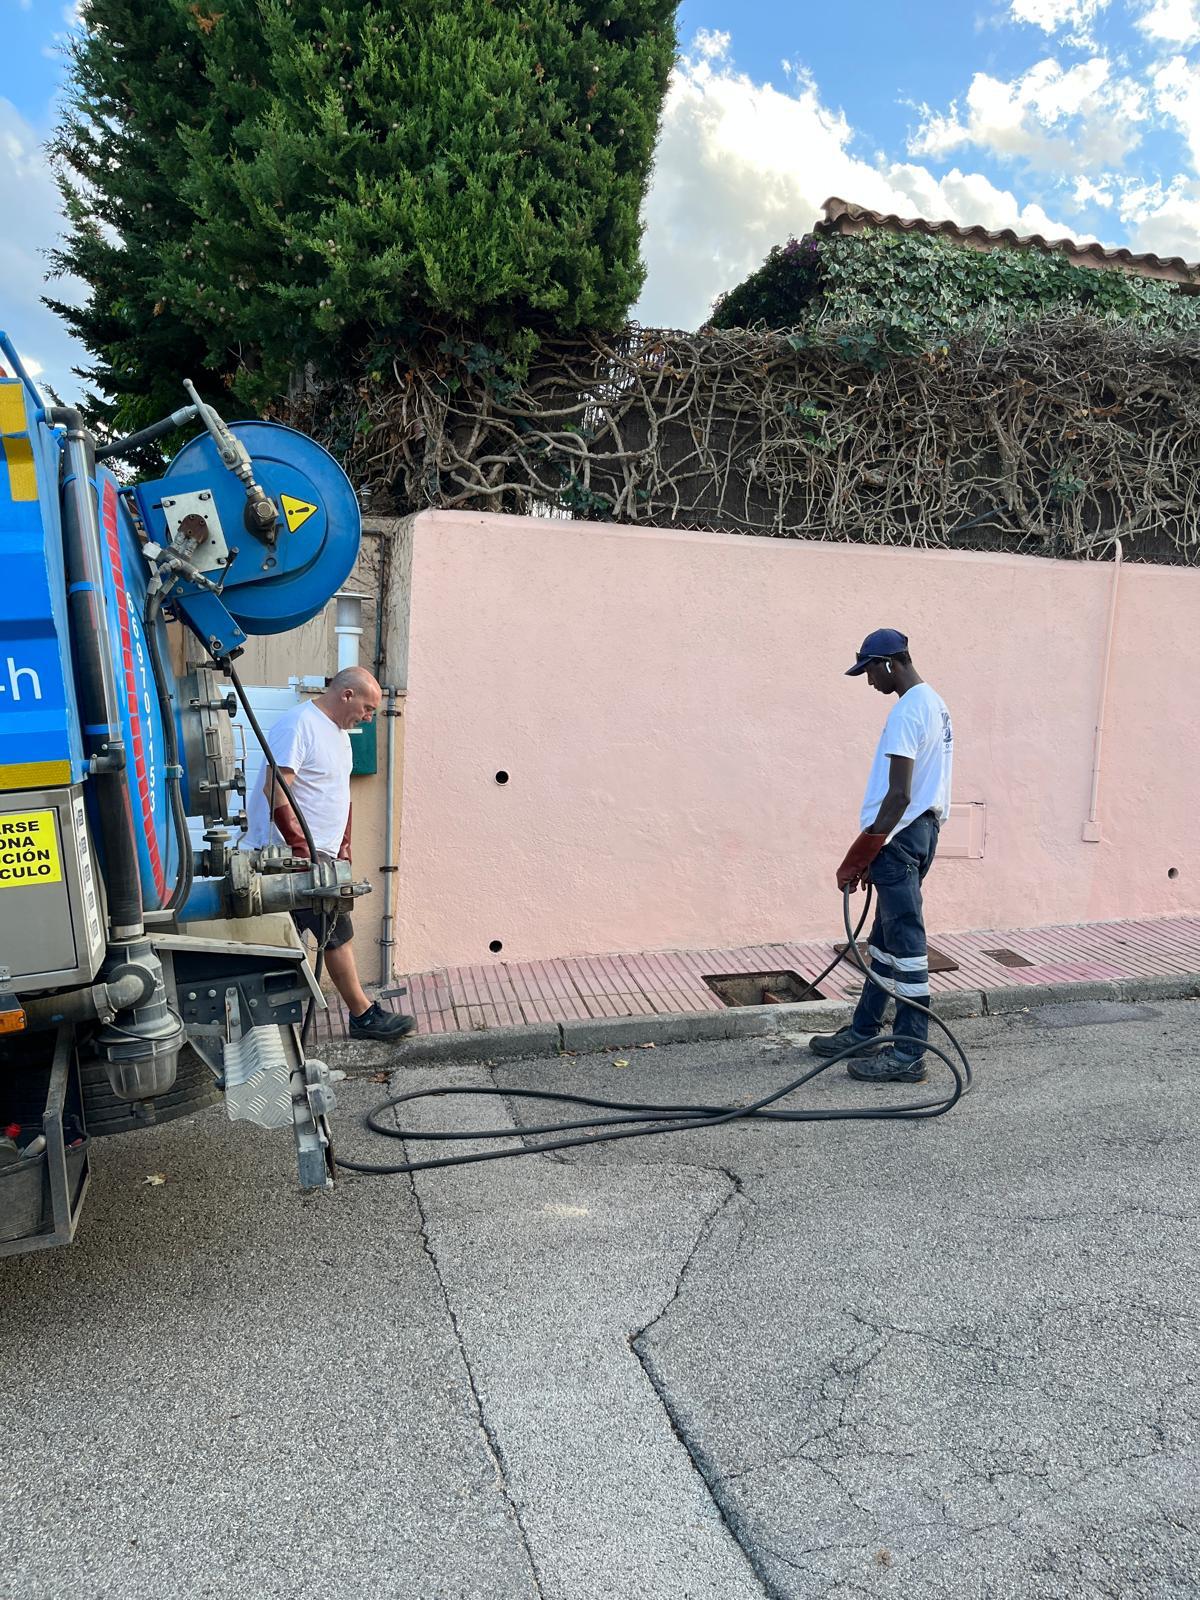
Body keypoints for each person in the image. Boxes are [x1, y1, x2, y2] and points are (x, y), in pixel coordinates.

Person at [810, 628, 953, 1083]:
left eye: (870, 671)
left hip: (900, 837)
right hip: (919, 835)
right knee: (886, 945)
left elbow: (897, 796)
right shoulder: (935, 703)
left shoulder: (907, 712)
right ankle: (864, 1030)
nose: (869, 682)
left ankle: (909, 1054)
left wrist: (862, 853)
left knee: (907, 947)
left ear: (889, 663)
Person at [244, 666, 416, 1041]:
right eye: (368, 708)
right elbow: (275, 791)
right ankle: (361, 1016)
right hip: (288, 857)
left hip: (321, 855)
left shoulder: (339, 735)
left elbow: (340, 794)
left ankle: (282, 1026)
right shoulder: (299, 724)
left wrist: (344, 846)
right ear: (346, 695)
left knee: (316, 935)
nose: (369, 717)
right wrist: (303, 850)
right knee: (332, 934)